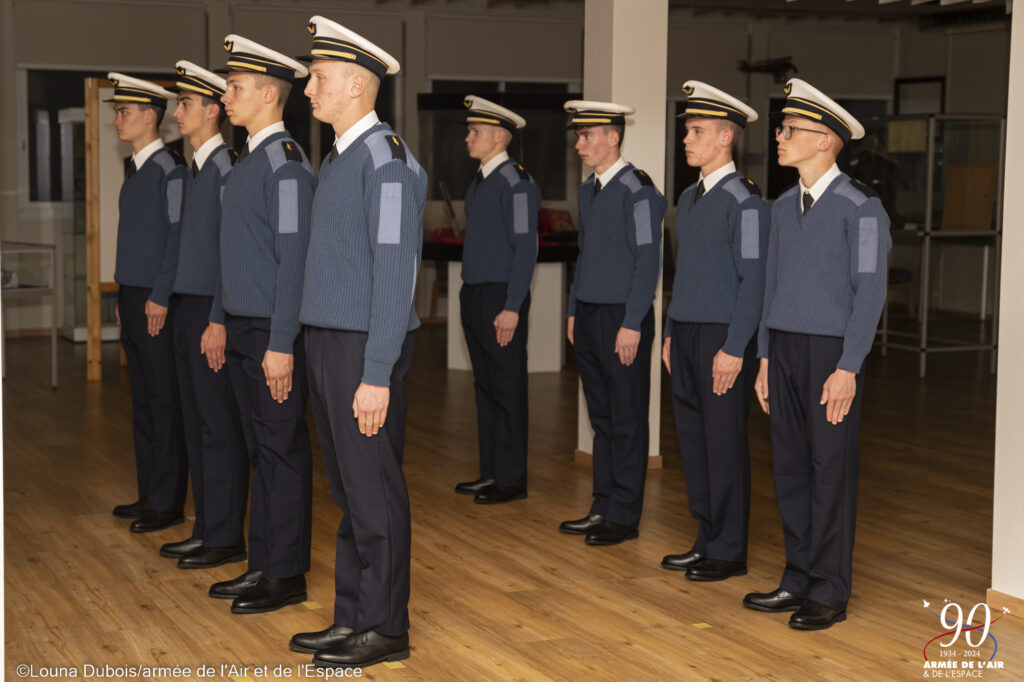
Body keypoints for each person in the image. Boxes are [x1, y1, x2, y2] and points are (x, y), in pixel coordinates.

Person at [289, 16, 426, 669]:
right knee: (348, 487)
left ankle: (386, 627)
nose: (308, 90)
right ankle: (353, 617)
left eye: (319, 79)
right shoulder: (343, 157)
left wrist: (377, 371)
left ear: (358, 85)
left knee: (374, 488)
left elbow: (397, 278)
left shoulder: (388, 162)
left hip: (363, 350)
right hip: (328, 343)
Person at [744, 78, 891, 630]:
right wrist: (762, 356)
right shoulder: (780, 207)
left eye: (790, 130)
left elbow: (870, 291)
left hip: (831, 353)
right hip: (780, 350)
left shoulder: (863, 207)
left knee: (830, 470)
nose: (779, 138)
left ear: (826, 140)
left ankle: (830, 590)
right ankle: (798, 577)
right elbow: (769, 287)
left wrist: (849, 366)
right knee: (788, 467)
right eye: (781, 129)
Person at [206, 34, 317, 615]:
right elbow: (238, 254)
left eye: (236, 87)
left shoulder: (287, 164)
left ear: (270, 94)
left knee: (281, 449)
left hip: (271, 332)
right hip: (242, 326)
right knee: (258, 448)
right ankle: (263, 563)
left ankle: (287, 573)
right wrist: (220, 318)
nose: (227, 95)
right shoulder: (247, 161)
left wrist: (280, 343)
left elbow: (293, 258)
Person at [660, 81, 769, 582]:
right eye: (686, 131)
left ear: (726, 137)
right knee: (694, 441)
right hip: (684, 334)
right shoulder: (688, 196)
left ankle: (729, 549)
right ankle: (706, 537)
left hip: (722, 337)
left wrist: (734, 346)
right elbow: (683, 272)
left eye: (697, 131)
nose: (687, 139)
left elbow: (754, 280)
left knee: (724, 441)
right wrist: (668, 331)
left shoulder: (746, 202)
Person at [559, 100, 665, 546]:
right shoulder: (588, 191)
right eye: (578, 137)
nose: (580, 144)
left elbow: (648, 259)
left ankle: (624, 515)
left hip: (624, 316)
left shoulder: (639, 190)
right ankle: (602, 504)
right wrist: (571, 308)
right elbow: (585, 255)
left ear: (613, 137)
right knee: (601, 418)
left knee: (627, 418)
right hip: (588, 314)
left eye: (588, 136)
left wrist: (633, 320)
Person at [158, 61, 249, 569]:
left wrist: (218, 318)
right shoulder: (195, 167)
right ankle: (207, 526)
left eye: (185, 104)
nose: (177, 112)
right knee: (196, 421)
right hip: (188, 304)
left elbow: (227, 255)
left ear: (213, 111)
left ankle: (224, 536)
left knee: (218, 424)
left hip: (212, 309)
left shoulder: (223, 169)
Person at [106, 73, 189, 534]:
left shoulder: (170, 171)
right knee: (142, 402)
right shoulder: (136, 172)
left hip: (157, 300)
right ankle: (149, 493)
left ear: (150, 117)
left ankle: (168, 502)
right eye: (118, 113)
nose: (118, 120)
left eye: (125, 112)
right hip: (133, 298)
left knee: (164, 401)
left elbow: (175, 239)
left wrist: (159, 295)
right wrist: (125, 295)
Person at [453, 95, 540, 504]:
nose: (468, 138)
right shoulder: (480, 180)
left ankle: (511, 478)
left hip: (500, 297)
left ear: (500, 136)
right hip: (474, 293)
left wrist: (512, 306)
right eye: (469, 131)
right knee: (484, 385)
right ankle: (490, 471)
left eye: (476, 132)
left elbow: (525, 248)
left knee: (506, 387)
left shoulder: (517, 183)